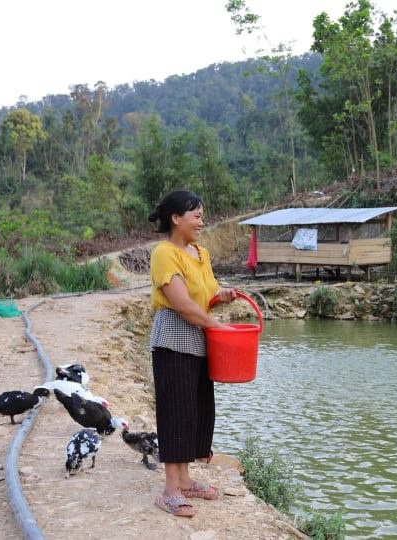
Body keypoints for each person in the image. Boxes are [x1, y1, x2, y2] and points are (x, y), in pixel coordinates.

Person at [147, 190, 236, 517]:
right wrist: (218, 326)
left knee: (195, 410)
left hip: (199, 339)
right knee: (175, 411)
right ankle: (170, 490)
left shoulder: (201, 253)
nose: (201, 221)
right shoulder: (164, 253)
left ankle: (186, 481)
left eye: (201, 215)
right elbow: (182, 304)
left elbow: (205, 295)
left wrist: (221, 297)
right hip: (174, 338)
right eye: (196, 215)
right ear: (176, 218)